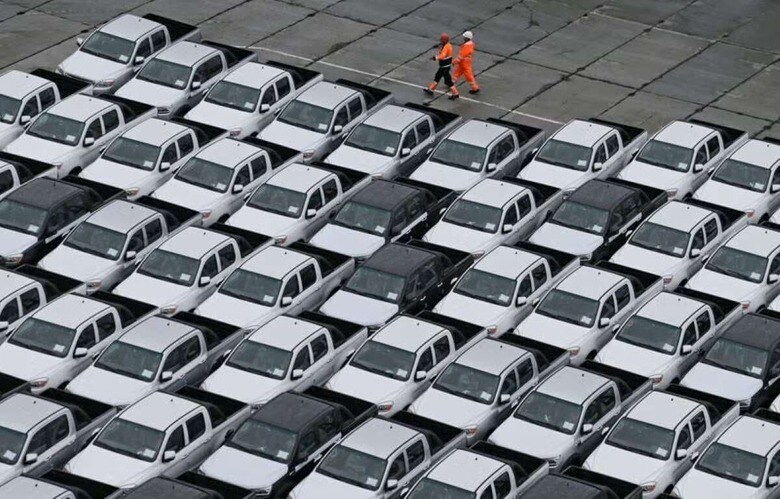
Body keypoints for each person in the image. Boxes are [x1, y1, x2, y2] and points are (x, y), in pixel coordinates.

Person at [424, 33, 459, 100]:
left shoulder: (446, 47)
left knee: (448, 81)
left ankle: (455, 94)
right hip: (444, 66)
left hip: (445, 67)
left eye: (442, 40)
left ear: (444, 40)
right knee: (437, 76)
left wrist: (434, 57)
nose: (441, 41)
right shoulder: (448, 45)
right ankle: (431, 90)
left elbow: (442, 56)